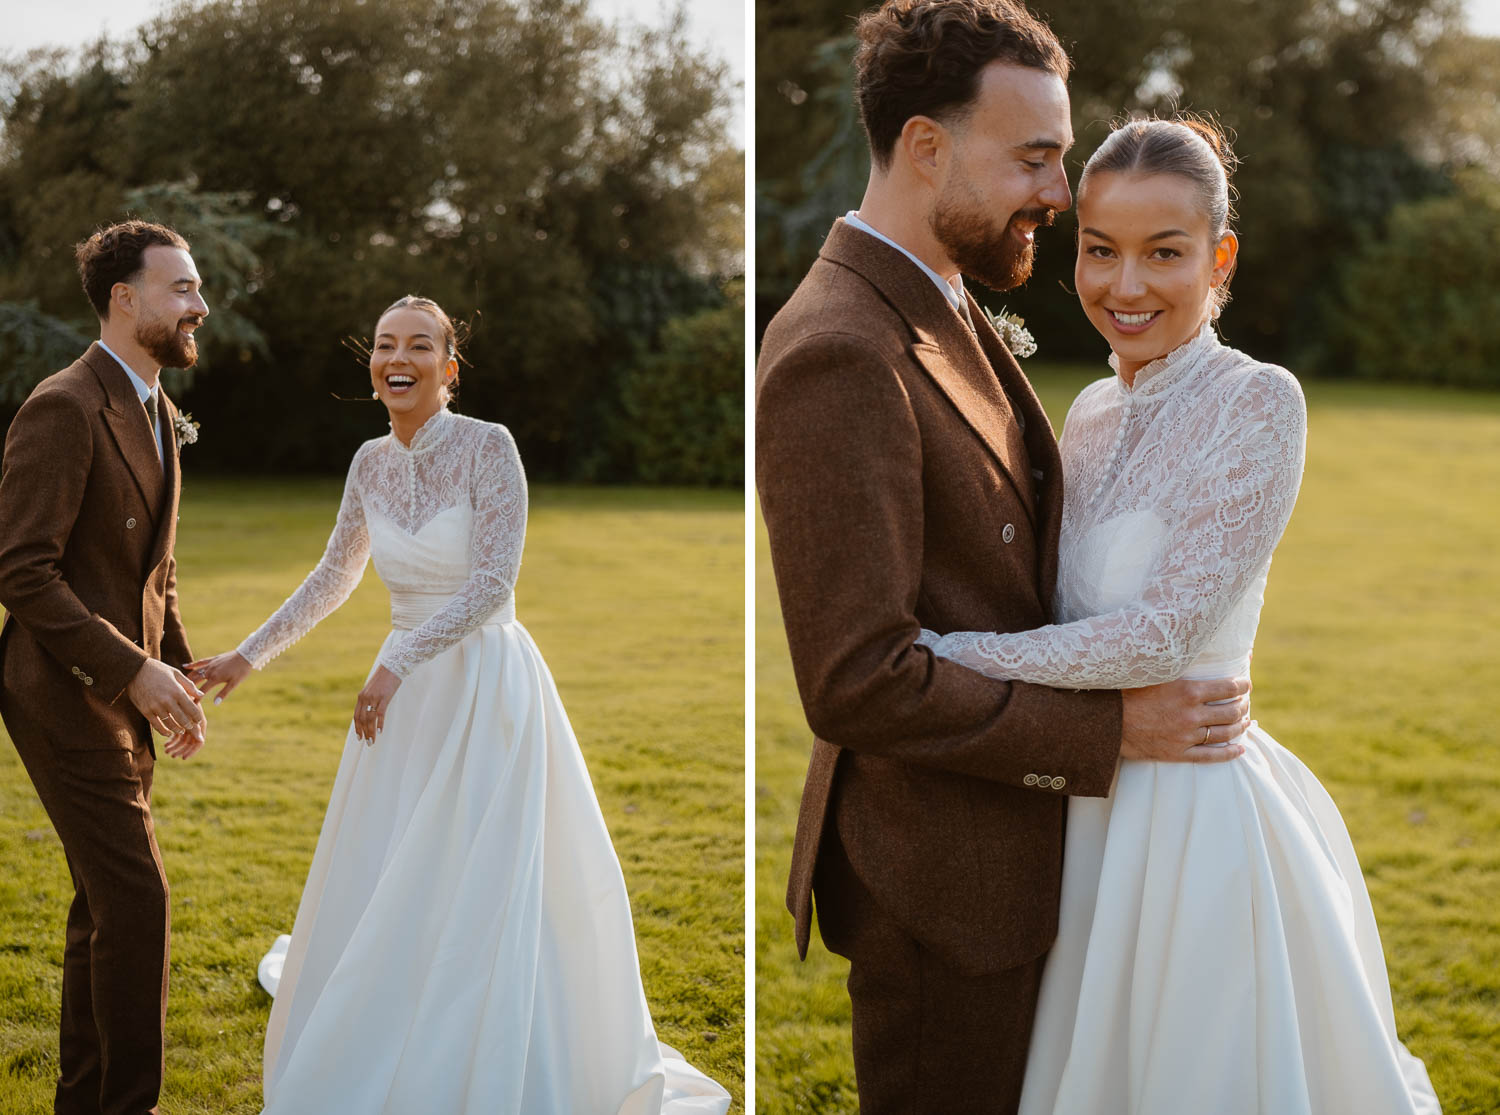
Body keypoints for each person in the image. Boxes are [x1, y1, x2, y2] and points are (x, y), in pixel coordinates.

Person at [755, 1, 1252, 1109]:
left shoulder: (939, 299)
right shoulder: (841, 348)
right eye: (1034, 157)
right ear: (928, 147)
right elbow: (857, 678)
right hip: (944, 882)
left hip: (1027, 857)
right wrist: (1113, 729)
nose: (1060, 194)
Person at [916, 116, 1442, 1114]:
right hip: (1080, 800)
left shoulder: (1260, 403)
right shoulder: (1086, 413)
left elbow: (1161, 634)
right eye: (1101, 250)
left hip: (1194, 819)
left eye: (1165, 253)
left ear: (1220, 258)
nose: (1127, 285)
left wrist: (948, 656)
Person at [187, 295, 729, 1114]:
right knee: (399, 862)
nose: (397, 358)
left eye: (418, 345)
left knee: (483, 868)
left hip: (483, 688)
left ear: (449, 367)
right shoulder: (368, 460)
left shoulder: (489, 446)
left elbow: (493, 583)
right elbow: (335, 573)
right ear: (372, 365)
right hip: (403, 704)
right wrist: (248, 653)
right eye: (384, 345)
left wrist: (396, 661)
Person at [0, 219, 210, 1115]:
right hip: (61, 695)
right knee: (136, 900)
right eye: (182, 288)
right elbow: (21, 570)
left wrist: (179, 669)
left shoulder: (155, 403)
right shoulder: (65, 405)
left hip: (123, 696)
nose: (201, 304)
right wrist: (133, 671)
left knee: (103, 907)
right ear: (125, 299)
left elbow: (151, 566)